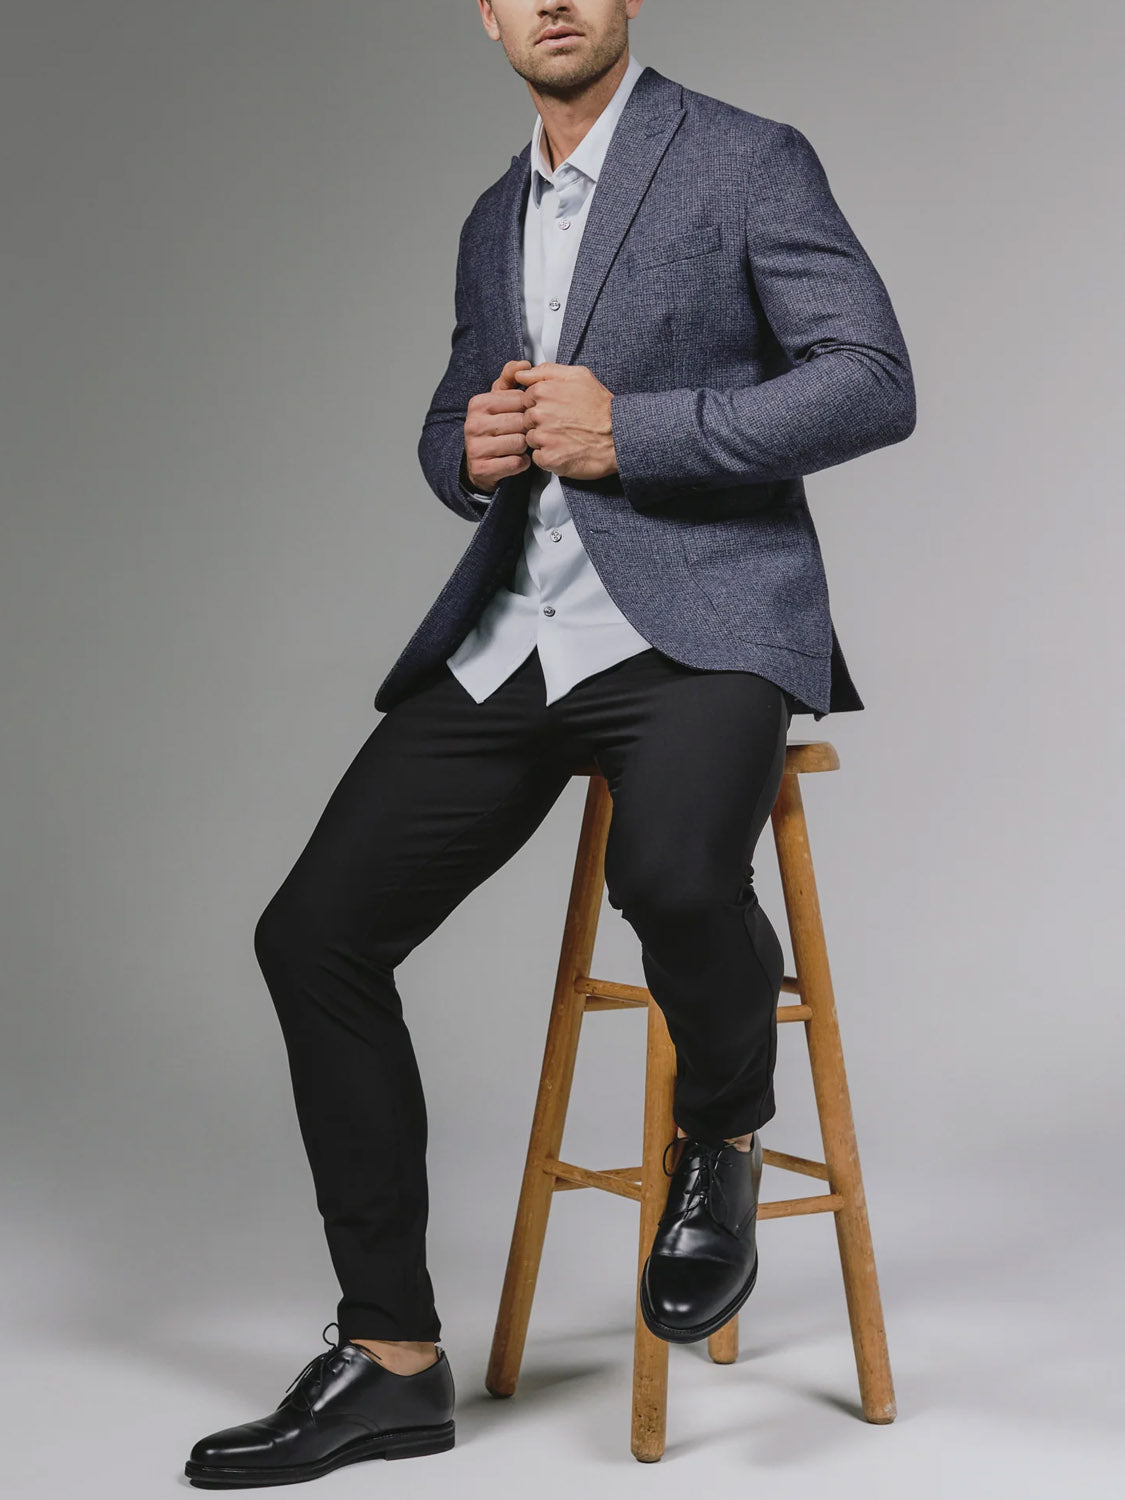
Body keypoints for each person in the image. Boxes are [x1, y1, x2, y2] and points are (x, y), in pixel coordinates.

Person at [185, 0, 915, 1486]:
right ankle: (390, 1357)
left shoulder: (742, 157)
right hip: (517, 640)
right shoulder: (488, 213)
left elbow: (868, 378)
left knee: (672, 875)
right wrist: (463, 449)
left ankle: (718, 1131)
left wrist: (629, 431)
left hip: (699, 629)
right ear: (487, 14)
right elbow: (461, 408)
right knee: (310, 934)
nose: (552, 3)